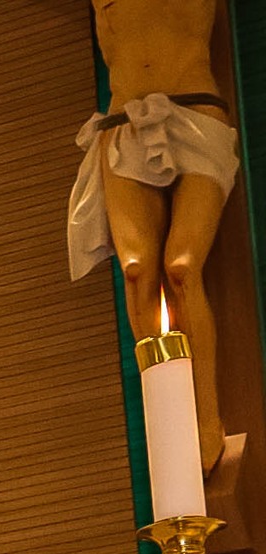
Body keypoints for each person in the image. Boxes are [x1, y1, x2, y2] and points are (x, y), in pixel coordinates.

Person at [68, 0, 241, 472]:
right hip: (122, 123)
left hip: (196, 111)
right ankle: (166, 420)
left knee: (182, 266)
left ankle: (207, 418)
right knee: (137, 270)